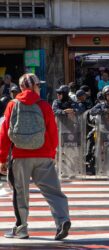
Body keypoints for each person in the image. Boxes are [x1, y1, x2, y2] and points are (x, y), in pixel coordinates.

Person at [0, 73, 71, 240]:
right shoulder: (44, 105)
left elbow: (4, 134)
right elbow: (53, 131)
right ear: (32, 87)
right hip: (43, 154)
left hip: (19, 156)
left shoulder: (12, 104)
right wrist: (52, 153)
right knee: (53, 192)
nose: (39, 88)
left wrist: (2, 158)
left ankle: (21, 228)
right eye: (38, 86)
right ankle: (62, 221)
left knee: (20, 193)